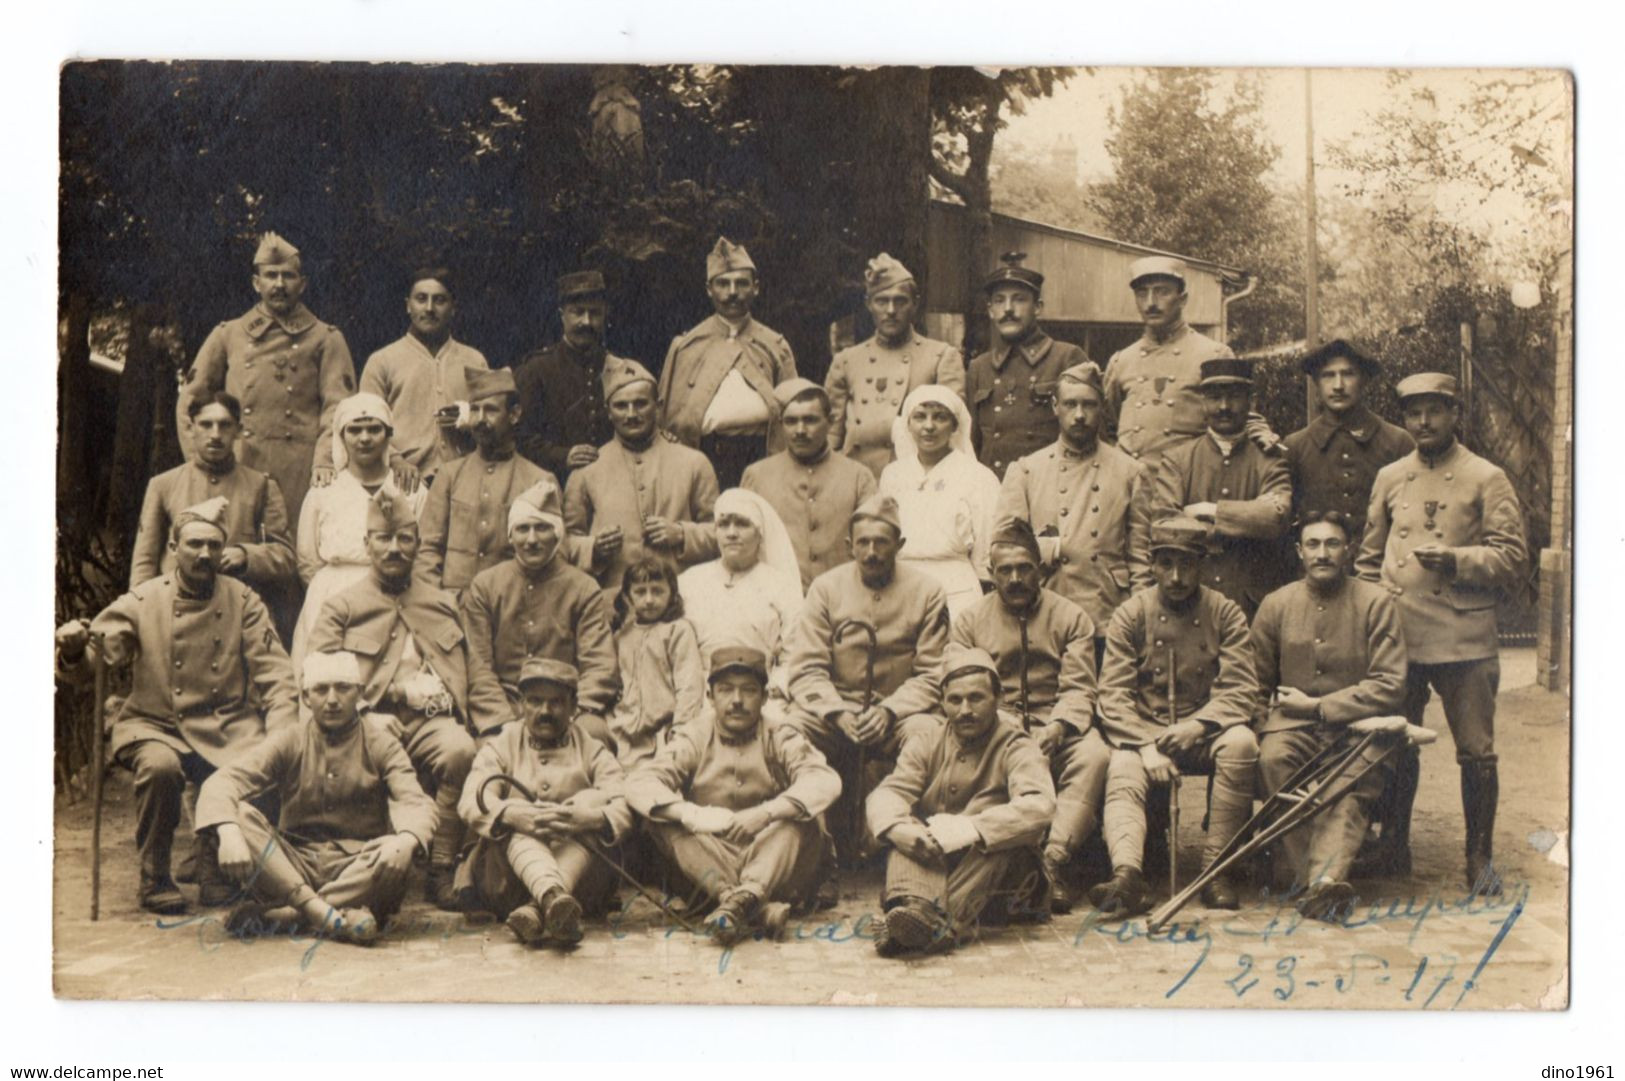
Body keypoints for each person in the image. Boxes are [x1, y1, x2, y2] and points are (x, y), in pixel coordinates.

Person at [54, 497, 300, 913]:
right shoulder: (144, 600)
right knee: (160, 768)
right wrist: (74, 651)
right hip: (155, 722)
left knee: (254, 761)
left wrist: (280, 734)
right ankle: (154, 877)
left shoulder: (243, 601)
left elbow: (276, 675)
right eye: (194, 544)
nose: (204, 554)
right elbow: (96, 658)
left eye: (213, 546)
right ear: (173, 549)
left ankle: (216, 870)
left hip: (227, 723)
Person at [1356, 372, 1527, 895]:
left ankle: (1478, 858)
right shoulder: (1390, 476)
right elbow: (1367, 560)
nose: (1423, 422)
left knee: (1476, 750)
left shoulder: (1485, 477)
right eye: (1413, 413)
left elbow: (1513, 558)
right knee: (1394, 743)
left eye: (1434, 411)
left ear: (1455, 414)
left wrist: (1455, 560)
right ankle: (1393, 847)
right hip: (1400, 635)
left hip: (1463, 637)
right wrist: (1371, 618)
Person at [307, 488, 510, 909]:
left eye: (404, 538)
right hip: (366, 724)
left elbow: (476, 671)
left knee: (459, 750)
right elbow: (317, 672)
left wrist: (498, 729)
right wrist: (361, 714)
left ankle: (441, 864)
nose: (394, 548)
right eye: (383, 538)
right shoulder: (342, 607)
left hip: (431, 722)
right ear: (367, 544)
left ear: (418, 544)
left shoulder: (440, 603)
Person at [198, 650, 436, 945]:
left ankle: (292, 914)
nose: (332, 699)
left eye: (343, 688)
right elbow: (223, 782)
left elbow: (415, 801)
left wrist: (407, 840)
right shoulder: (290, 739)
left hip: (356, 869)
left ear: (360, 694)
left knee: (396, 849)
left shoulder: (381, 744)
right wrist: (229, 830)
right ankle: (329, 913)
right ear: (306, 696)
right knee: (241, 816)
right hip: (292, 865)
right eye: (321, 689)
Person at [1092, 516, 1259, 915]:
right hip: (1144, 730)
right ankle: (1127, 876)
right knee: (1122, 765)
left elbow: (1241, 688)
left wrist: (1198, 726)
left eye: (1187, 564)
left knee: (1241, 743)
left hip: (1203, 730)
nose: (1177, 576)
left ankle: (1216, 870)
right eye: (1166, 563)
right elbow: (1112, 695)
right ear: (1151, 564)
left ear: (1204, 565)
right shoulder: (1131, 614)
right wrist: (1147, 744)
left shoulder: (1226, 613)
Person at [1250, 512, 1407, 920]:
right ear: (1299, 552)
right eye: (1314, 545)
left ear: (1349, 551)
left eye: (1333, 544)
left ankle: (1319, 882)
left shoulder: (1376, 603)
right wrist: (1253, 726)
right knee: (1272, 759)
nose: (1323, 553)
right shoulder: (1276, 604)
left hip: (1361, 728)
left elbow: (1390, 683)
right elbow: (1254, 683)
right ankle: (1320, 880)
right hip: (1292, 727)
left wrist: (1321, 706)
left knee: (1349, 781)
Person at [628, 647, 841, 947]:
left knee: (802, 817)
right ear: (710, 696)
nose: (737, 701)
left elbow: (824, 779)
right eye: (726, 690)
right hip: (712, 856)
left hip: (774, 857)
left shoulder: (781, 733)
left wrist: (766, 813)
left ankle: (740, 898)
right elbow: (640, 782)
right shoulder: (695, 735)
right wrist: (693, 814)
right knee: (661, 821)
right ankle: (746, 903)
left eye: (749, 691)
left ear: (765, 697)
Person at [950, 519, 1110, 914]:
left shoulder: (1072, 617)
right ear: (991, 573)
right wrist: (1004, 726)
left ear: (1041, 569)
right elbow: (967, 687)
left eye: (1025, 568)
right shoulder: (970, 622)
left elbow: (1080, 686)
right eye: (1005, 570)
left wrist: (1059, 725)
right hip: (996, 726)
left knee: (1094, 756)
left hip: (1056, 720)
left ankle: (1054, 861)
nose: (1016, 578)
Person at [783, 494, 950, 861]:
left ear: (900, 545)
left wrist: (890, 711)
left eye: (882, 542)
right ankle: (817, 851)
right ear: (849, 546)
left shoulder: (928, 592)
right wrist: (836, 712)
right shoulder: (826, 589)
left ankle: (898, 844)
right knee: (790, 731)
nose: (872, 552)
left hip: (899, 714)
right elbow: (806, 668)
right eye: (863, 542)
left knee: (931, 735)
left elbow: (933, 673)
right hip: (835, 710)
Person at [867, 647, 1055, 957]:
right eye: (954, 700)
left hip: (1009, 883)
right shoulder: (928, 739)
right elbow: (889, 792)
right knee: (904, 831)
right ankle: (915, 912)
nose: (965, 710)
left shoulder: (1016, 742)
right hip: (946, 864)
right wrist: (897, 829)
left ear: (997, 699)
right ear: (942, 703)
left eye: (976, 698)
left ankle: (931, 923)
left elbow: (1040, 806)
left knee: (998, 844)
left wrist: (973, 828)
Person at [176, 232, 370, 524]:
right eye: (271, 275)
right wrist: (199, 458)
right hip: (238, 462)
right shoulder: (229, 334)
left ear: (302, 284)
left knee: (292, 553)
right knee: (230, 544)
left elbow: (339, 409)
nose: (279, 285)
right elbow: (190, 399)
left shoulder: (325, 339)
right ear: (257, 283)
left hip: (301, 470)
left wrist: (325, 461)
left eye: (288, 276)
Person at [458, 658, 635, 949]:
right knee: (515, 819)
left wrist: (587, 818)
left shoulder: (591, 747)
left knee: (592, 803)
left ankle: (538, 907)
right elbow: (471, 799)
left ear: (573, 706)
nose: (545, 712)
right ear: (520, 705)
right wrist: (514, 815)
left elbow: (624, 800)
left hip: (582, 883)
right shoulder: (503, 743)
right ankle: (552, 898)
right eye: (535, 701)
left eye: (556, 702)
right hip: (510, 880)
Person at [996, 361, 1150, 656]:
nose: (1079, 415)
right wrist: (1050, 548)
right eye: (1070, 404)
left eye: (1089, 405)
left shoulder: (1131, 472)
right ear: (1055, 406)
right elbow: (1003, 545)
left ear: (1103, 407)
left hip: (1108, 611)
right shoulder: (1027, 470)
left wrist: (1137, 615)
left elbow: (1140, 558)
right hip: (1047, 607)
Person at [461, 477, 618, 729]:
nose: (531, 540)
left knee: (595, 734)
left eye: (542, 528)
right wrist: (502, 722)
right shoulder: (485, 586)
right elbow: (478, 667)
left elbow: (600, 665)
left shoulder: (583, 588)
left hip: (566, 707)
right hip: (506, 706)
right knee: (486, 759)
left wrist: (573, 714)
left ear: (557, 535)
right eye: (522, 529)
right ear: (511, 537)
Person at [132, 390, 297, 630]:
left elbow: (286, 557)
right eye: (206, 425)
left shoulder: (261, 486)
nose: (215, 435)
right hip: (175, 614)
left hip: (236, 616)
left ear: (238, 431)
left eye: (225, 425)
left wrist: (246, 556)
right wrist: (141, 614)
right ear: (191, 429)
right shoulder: (163, 485)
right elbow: (144, 561)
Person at [292, 393, 426, 671]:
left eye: (374, 429)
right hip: (332, 597)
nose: (364, 438)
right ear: (341, 436)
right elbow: (308, 560)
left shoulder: (410, 488)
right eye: (354, 430)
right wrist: (330, 591)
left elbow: (425, 552)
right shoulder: (323, 491)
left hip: (397, 595)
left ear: (388, 434)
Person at [1149, 357, 1292, 618]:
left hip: (1252, 604)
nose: (1224, 407)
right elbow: (1165, 526)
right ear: (1203, 402)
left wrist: (1210, 511)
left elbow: (1276, 518)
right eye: (1215, 397)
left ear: (1251, 402)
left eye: (1234, 397)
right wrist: (1248, 521)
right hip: (1191, 601)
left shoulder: (1269, 458)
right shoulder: (1178, 460)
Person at [566, 358, 720, 594]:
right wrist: (593, 548)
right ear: (608, 412)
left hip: (682, 596)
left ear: (657, 406)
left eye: (640, 404)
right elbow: (563, 543)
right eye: (621, 406)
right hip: (613, 602)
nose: (631, 414)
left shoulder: (694, 462)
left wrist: (681, 534)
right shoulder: (587, 469)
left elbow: (721, 533)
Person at [657, 237, 799, 489]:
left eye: (741, 283)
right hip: (705, 459)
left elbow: (795, 410)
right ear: (709, 289)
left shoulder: (775, 345)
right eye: (723, 283)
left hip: (763, 458)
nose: (732, 292)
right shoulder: (686, 346)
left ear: (755, 288)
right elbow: (666, 419)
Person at [415, 367, 559, 599]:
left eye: (491, 410)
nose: (480, 419)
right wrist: (439, 603)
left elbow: (550, 558)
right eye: (475, 409)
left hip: (510, 608)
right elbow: (427, 549)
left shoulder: (538, 480)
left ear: (514, 415)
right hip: (452, 608)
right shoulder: (450, 476)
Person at [824, 253, 965, 478]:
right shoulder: (847, 360)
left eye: (900, 301)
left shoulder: (941, 357)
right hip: (856, 476)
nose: (890, 310)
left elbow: (951, 432)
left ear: (915, 304)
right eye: (882, 301)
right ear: (869, 305)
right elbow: (831, 434)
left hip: (916, 478)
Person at [741, 379, 878, 590]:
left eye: (810, 420)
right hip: (777, 596)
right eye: (791, 421)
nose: (800, 430)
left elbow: (872, 542)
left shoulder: (859, 476)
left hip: (843, 596)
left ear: (830, 422)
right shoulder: (757, 476)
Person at [964, 252, 1091, 479]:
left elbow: (1090, 438)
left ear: (1038, 307)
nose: (1008, 309)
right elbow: (971, 443)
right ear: (990, 310)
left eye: (1019, 299)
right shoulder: (979, 367)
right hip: (993, 490)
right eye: (999, 300)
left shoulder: (1067, 357)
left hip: (1050, 486)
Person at [1102, 256, 1239, 466]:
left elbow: (1239, 419)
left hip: (1185, 487)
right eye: (1142, 293)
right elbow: (1107, 427)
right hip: (1130, 488)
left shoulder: (1213, 355)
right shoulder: (1122, 361)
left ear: (1182, 299)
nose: (1151, 303)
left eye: (1162, 292)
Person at [880, 384, 1001, 618]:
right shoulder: (893, 475)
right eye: (920, 417)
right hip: (901, 586)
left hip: (958, 590)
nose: (929, 426)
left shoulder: (978, 477)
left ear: (955, 425)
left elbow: (987, 544)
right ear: (908, 423)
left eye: (940, 417)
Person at [359, 266, 490, 479]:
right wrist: (395, 460)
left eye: (439, 300)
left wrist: (471, 417)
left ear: (453, 307)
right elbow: (365, 422)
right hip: (403, 482)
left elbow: (495, 420)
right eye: (421, 299)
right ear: (408, 306)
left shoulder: (474, 360)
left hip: (465, 480)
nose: (429, 308)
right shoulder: (382, 361)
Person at [1281, 338, 1413, 548]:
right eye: (1328, 376)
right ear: (1316, 382)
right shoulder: (1296, 446)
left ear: (1364, 380)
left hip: (1381, 571)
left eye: (1348, 374)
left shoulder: (1398, 442)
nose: (1338, 386)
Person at [677, 488, 804, 695]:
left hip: (761, 695)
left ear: (760, 532)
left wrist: (772, 689)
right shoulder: (688, 581)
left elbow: (796, 655)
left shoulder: (782, 587)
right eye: (724, 524)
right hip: (697, 694)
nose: (732, 533)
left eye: (742, 524)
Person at [512, 270, 630, 486]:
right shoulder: (536, 369)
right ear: (562, 315)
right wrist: (562, 456)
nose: (587, 321)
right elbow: (518, 435)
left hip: (611, 482)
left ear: (605, 316)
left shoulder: (620, 368)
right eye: (578, 312)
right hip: (552, 484)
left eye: (595, 313)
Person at [608, 556, 706, 766]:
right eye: (640, 592)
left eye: (657, 591)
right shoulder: (621, 636)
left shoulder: (677, 631)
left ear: (671, 593)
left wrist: (681, 730)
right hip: (622, 731)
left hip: (663, 733)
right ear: (628, 596)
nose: (649, 599)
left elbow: (689, 686)